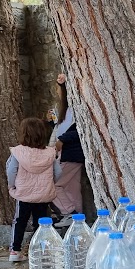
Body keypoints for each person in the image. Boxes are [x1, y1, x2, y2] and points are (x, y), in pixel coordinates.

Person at [8, 117, 61, 262]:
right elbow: (58, 172)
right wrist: (50, 183)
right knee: (41, 223)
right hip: (43, 195)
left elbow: (11, 171)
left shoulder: (18, 152)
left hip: (24, 194)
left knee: (20, 221)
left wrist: (11, 185)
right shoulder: (50, 153)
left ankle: (15, 250)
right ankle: (40, 251)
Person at [51, 73, 85, 225]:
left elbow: (80, 130)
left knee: (53, 184)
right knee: (72, 187)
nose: (57, 92)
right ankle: (79, 218)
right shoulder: (66, 111)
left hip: (70, 153)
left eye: (59, 89)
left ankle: (69, 213)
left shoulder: (78, 110)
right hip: (70, 153)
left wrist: (62, 140)